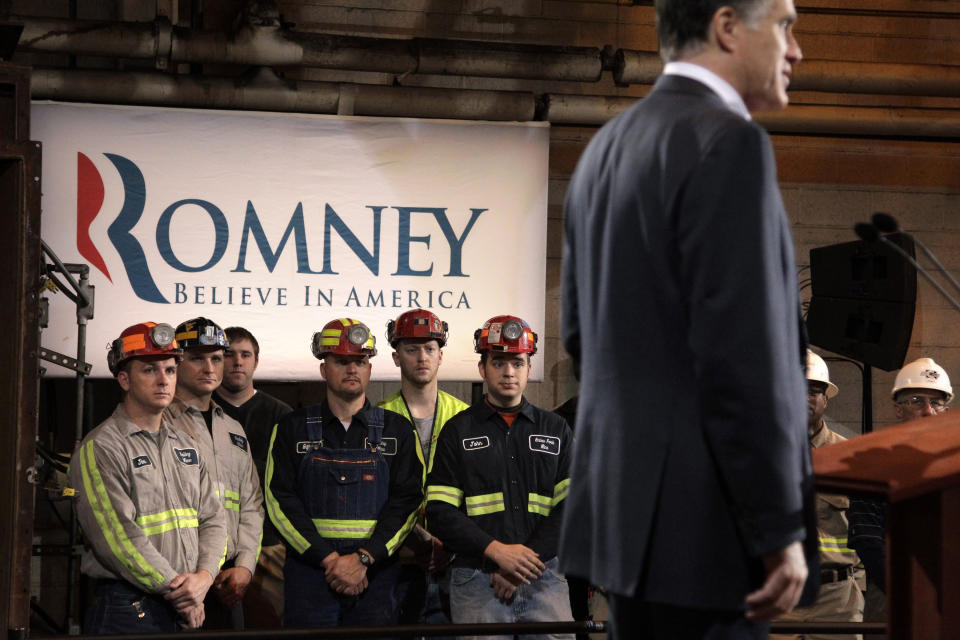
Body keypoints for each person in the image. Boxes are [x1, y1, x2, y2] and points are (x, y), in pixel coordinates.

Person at [559, 0, 818, 637]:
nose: (796, 50)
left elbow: (581, 342)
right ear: (727, 27)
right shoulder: (730, 142)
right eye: (784, 25)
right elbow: (743, 357)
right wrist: (777, 526)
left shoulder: (604, 148)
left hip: (626, 538)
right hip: (707, 538)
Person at [68, 322, 226, 633]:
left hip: (190, 598)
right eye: (150, 370)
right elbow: (117, 538)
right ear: (124, 379)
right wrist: (180, 592)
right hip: (128, 606)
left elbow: (215, 519)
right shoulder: (101, 447)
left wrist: (205, 578)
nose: (163, 380)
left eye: (170, 370)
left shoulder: (187, 444)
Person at [265, 317, 423, 628]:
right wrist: (329, 560)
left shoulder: (398, 431)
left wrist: (364, 558)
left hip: (376, 575)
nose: (352, 369)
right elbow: (278, 499)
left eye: (360, 361)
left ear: (369, 368)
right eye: (341, 361)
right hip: (311, 574)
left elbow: (408, 501)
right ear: (324, 368)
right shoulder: (291, 428)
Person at [425, 315, 574, 640]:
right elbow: (438, 512)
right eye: (499, 362)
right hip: (478, 579)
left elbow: (573, 509)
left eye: (517, 363)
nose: (509, 372)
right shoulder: (458, 431)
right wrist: (496, 552)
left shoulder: (556, 429)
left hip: (544, 577)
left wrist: (521, 563)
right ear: (482, 369)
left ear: (529, 369)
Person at [164, 317, 264, 630]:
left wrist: (245, 567)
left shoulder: (233, 429)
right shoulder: (159, 422)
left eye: (216, 359)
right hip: (177, 579)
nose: (209, 368)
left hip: (226, 582)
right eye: (197, 359)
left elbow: (251, 504)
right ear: (176, 364)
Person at [378, 309, 469, 631]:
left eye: (429, 348)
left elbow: (477, 492)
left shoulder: (466, 418)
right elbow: (375, 495)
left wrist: (451, 544)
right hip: (396, 561)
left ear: (441, 356)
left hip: (458, 563)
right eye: (411, 349)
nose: (421, 357)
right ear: (395, 357)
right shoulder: (377, 419)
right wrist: (413, 542)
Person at [848, 357, 953, 628]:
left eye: (937, 402)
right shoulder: (872, 465)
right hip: (892, 597)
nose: (928, 411)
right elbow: (868, 540)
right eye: (917, 400)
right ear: (897, 409)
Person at [772, 351, 864, 640]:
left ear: (826, 399)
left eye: (814, 390)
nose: (805, 397)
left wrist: (858, 584)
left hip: (836, 600)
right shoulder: (759, 455)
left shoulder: (851, 457)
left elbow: (870, 529)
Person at [214, 326, 293, 628]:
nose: (237, 362)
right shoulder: (201, 412)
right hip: (213, 547)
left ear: (256, 362)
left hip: (269, 543)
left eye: (245, 355)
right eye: (228, 354)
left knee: (269, 624)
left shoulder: (281, 415)